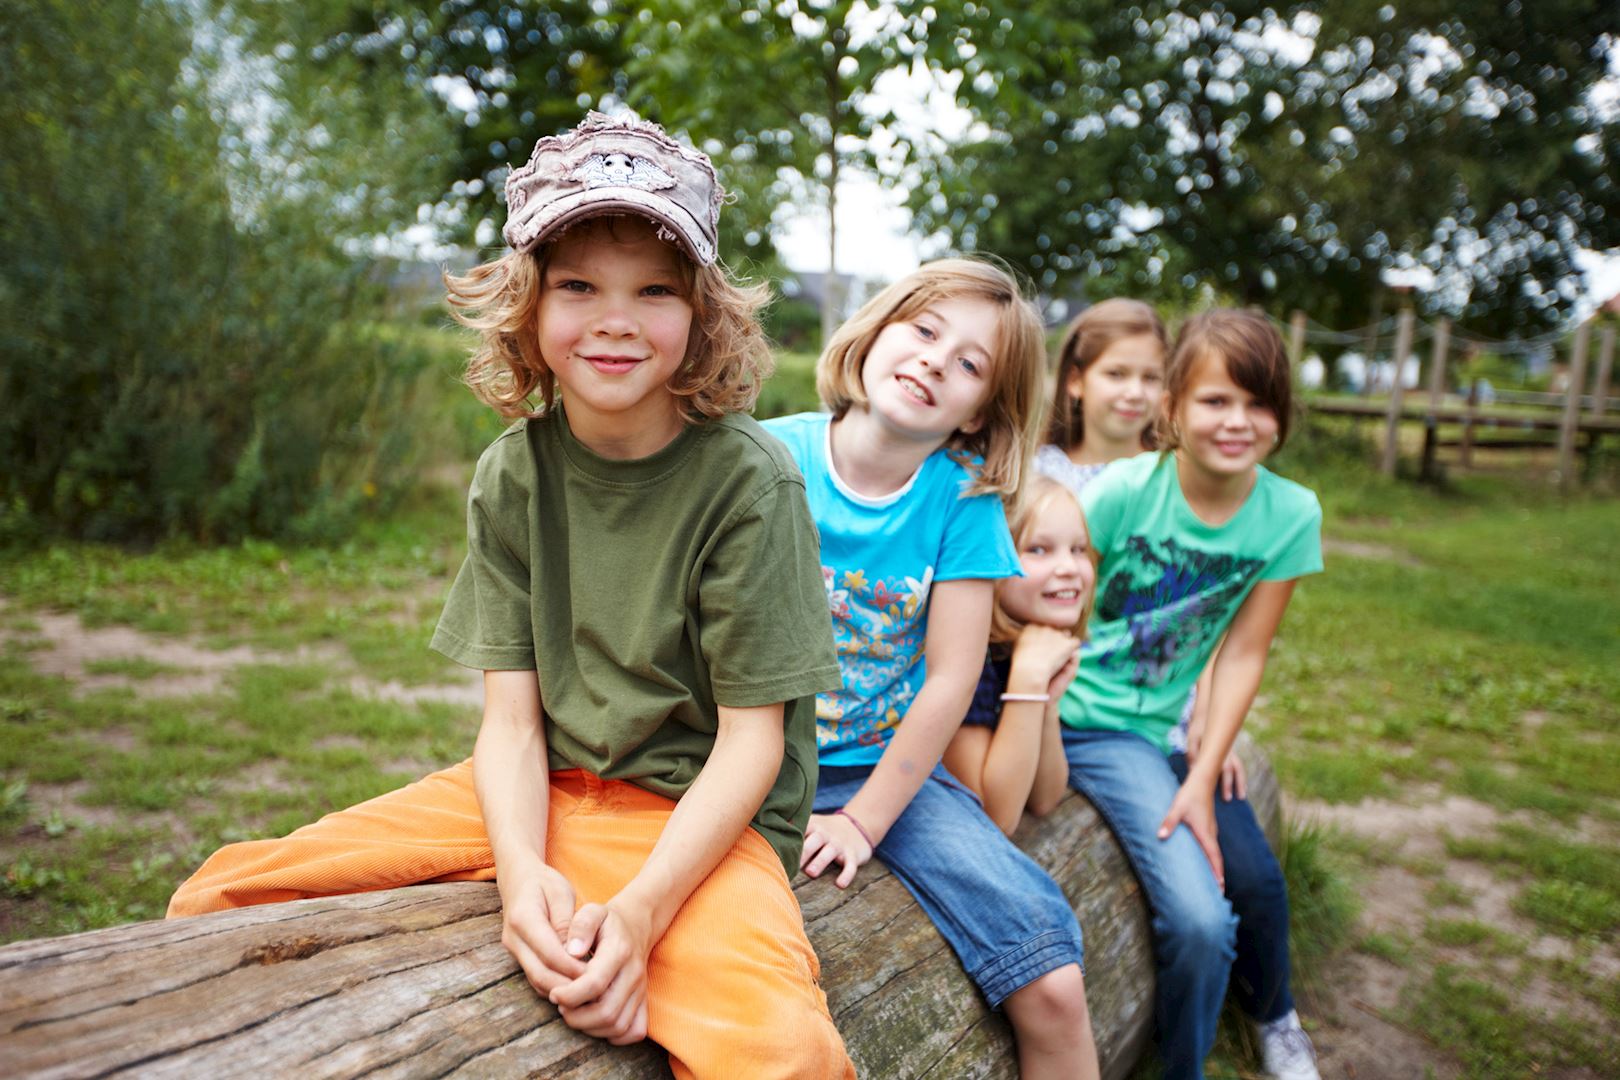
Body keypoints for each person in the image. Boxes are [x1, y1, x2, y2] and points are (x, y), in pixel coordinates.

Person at [167, 113, 855, 1079]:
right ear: (527, 304)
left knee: (782, 1056)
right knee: (224, 896)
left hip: (701, 821)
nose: (615, 318)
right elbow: (513, 727)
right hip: (543, 792)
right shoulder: (511, 475)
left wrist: (641, 918)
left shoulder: (751, 481)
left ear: (703, 314)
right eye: (578, 285)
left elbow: (754, 744)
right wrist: (523, 875)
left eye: (654, 290)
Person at [762, 260, 1100, 1080]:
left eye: (970, 364)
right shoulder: (770, 457)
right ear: (877, 329)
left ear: (982, 409)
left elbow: (950, 678)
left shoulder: (962, 501)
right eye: (923, 330)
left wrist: (866, 820)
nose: (934, 361)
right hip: (747, 757)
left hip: (889, 774)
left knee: (1052, 978)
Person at [1056, 309, 1324, 1080]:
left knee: (1237, 891)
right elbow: (1053, 615)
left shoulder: (1290, 514)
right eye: (1215, 400)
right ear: (1172, 409)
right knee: (1204, 919)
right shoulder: (1116, 494)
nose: (1238, 421)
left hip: (1157, 733)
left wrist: (1204, 772)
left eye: (1259, 402)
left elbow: (1242, 653)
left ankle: (1258, 1023)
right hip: (1077, 722)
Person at [942, 476, 1090, 836]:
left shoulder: (1028, 643)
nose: (1068, 567)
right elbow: (995, 816)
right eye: (1038, 549)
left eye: (1079, 549)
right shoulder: (968, 655)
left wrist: (1046, 701)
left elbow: (1044, 797)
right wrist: (1028, 678)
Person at [1034, 297, 1170, 495]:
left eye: (1150, 378)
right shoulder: (1038, 473)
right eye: (1116, 374)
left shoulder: (1175, 477)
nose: (1135, 393)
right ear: (1076, 381)